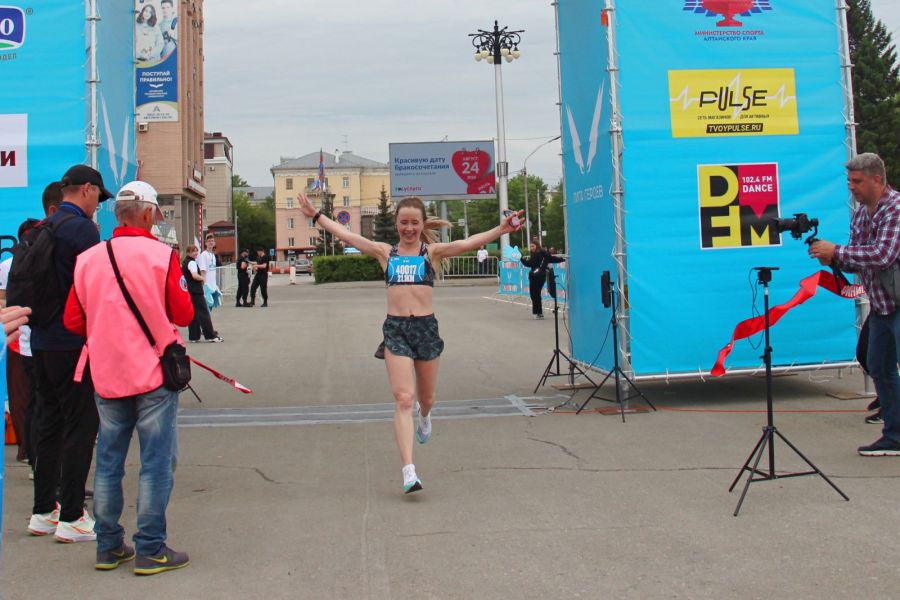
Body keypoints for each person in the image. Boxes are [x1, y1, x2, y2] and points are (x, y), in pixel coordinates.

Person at [298, 192, 523, 493]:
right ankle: (408, 470)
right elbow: (346, 235)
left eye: (414, 223)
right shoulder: (384, 252)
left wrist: (502, 229)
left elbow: (468, 243)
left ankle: (426, 416)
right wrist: (316, 216)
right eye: (403, 222)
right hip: (396, 330)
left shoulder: (432, 253)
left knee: (425, 399)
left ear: (422, 224)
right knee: (404, 398)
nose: (409, 228)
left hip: (426, 329)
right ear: (396, 223)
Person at [63, 180, 193, 574]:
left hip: (106, 373)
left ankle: (108, 546)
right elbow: (184, 313)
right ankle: (150, 547)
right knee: (155, 462)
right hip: (153, 373)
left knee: (108, 460)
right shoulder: (160, 255)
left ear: (116, 214)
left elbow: (72, 319)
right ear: (151, 214)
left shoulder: (88, 258)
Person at [28, 165, 112, 542]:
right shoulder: (81, 230)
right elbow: (99, 284)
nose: (99, 204)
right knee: (82, 423)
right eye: (99, 196)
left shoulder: (44, 227)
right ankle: (74, 515)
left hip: (41, 340)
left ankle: (44, 511)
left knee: (49, 423)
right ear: (87, 190)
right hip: (73, 343)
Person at [809, 153, 900, 456]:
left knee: (883, 365)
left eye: (857, 181)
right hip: (882, 305)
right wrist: (832, 257)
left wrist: (837, 251)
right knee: (878, 365)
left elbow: (882, 255)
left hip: (897, 304)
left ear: (877, 179)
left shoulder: (895, 209)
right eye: (849, 181)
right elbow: (858, 260)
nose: (852, 188)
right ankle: (894, 436)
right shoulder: (861, 213)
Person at [182, 245, 222, 343]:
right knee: (204, 313)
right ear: (188, 253)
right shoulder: (191, 262)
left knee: (194, 314)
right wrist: (202, 278)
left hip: (190, 291)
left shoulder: (185, 262)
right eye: (193, 251)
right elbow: (194, 275)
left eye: (196, 251)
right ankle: (210, 336)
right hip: (196, 291)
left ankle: (194, 336)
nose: (195, 253)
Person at [519, 240, 565, 319]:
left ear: (537, 246)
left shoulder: (538, 254)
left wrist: (521, 259)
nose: (531, 248)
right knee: (536, 294)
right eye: (530, 246)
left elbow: (529, 264)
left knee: (535, 294)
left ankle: (539, 313)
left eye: (533, 246)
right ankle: (538, 313)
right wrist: (562, 259)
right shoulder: (543, 254)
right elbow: (552, 259)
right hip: (539, 276)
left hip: (537, 276)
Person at [197, 234, 222, 311]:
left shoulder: (213, 255)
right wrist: (204, 285)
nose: (211, 242)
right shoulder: (204, 255)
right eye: (209, 241)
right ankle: (204, 323)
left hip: (213, 285)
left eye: (212, 241)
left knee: (211, 306)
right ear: (206, 243)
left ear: (214, 243)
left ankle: (206, 322)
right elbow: (203, 271)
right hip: (207, 285)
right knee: (206, 307)